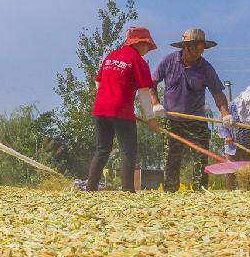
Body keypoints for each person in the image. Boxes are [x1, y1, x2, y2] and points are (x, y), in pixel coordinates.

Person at [152, 28, 233, 191]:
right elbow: (151, 83)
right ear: (186, 47)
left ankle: (200, 193)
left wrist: (225, 114)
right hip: (171, 120)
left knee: (201, 158)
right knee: (171, 159)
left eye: (202, 49)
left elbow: (217, 93)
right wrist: (155, 103)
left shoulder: (206, 68)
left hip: (196, 120)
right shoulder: (168, 61)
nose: (200, 53)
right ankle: (170, 193)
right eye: (197, 49)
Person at [86, 27, 164, 192]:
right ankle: (128, 190)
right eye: (147, 46)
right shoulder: (137, 61)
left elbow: (98, 82)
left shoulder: (111, 55)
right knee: (128, 150)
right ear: (140, 43)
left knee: (102, 149)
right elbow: (144, 92)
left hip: (100, 109)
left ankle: (90, 187)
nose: (147, 50)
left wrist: (107, 97)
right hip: (121, 110)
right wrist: (150, 118)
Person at [218, 85, 250, 159]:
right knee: (231, 169)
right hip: (232, 147)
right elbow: (221, 122)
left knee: (247, 169)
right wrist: (227, 135)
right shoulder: (232, 106)